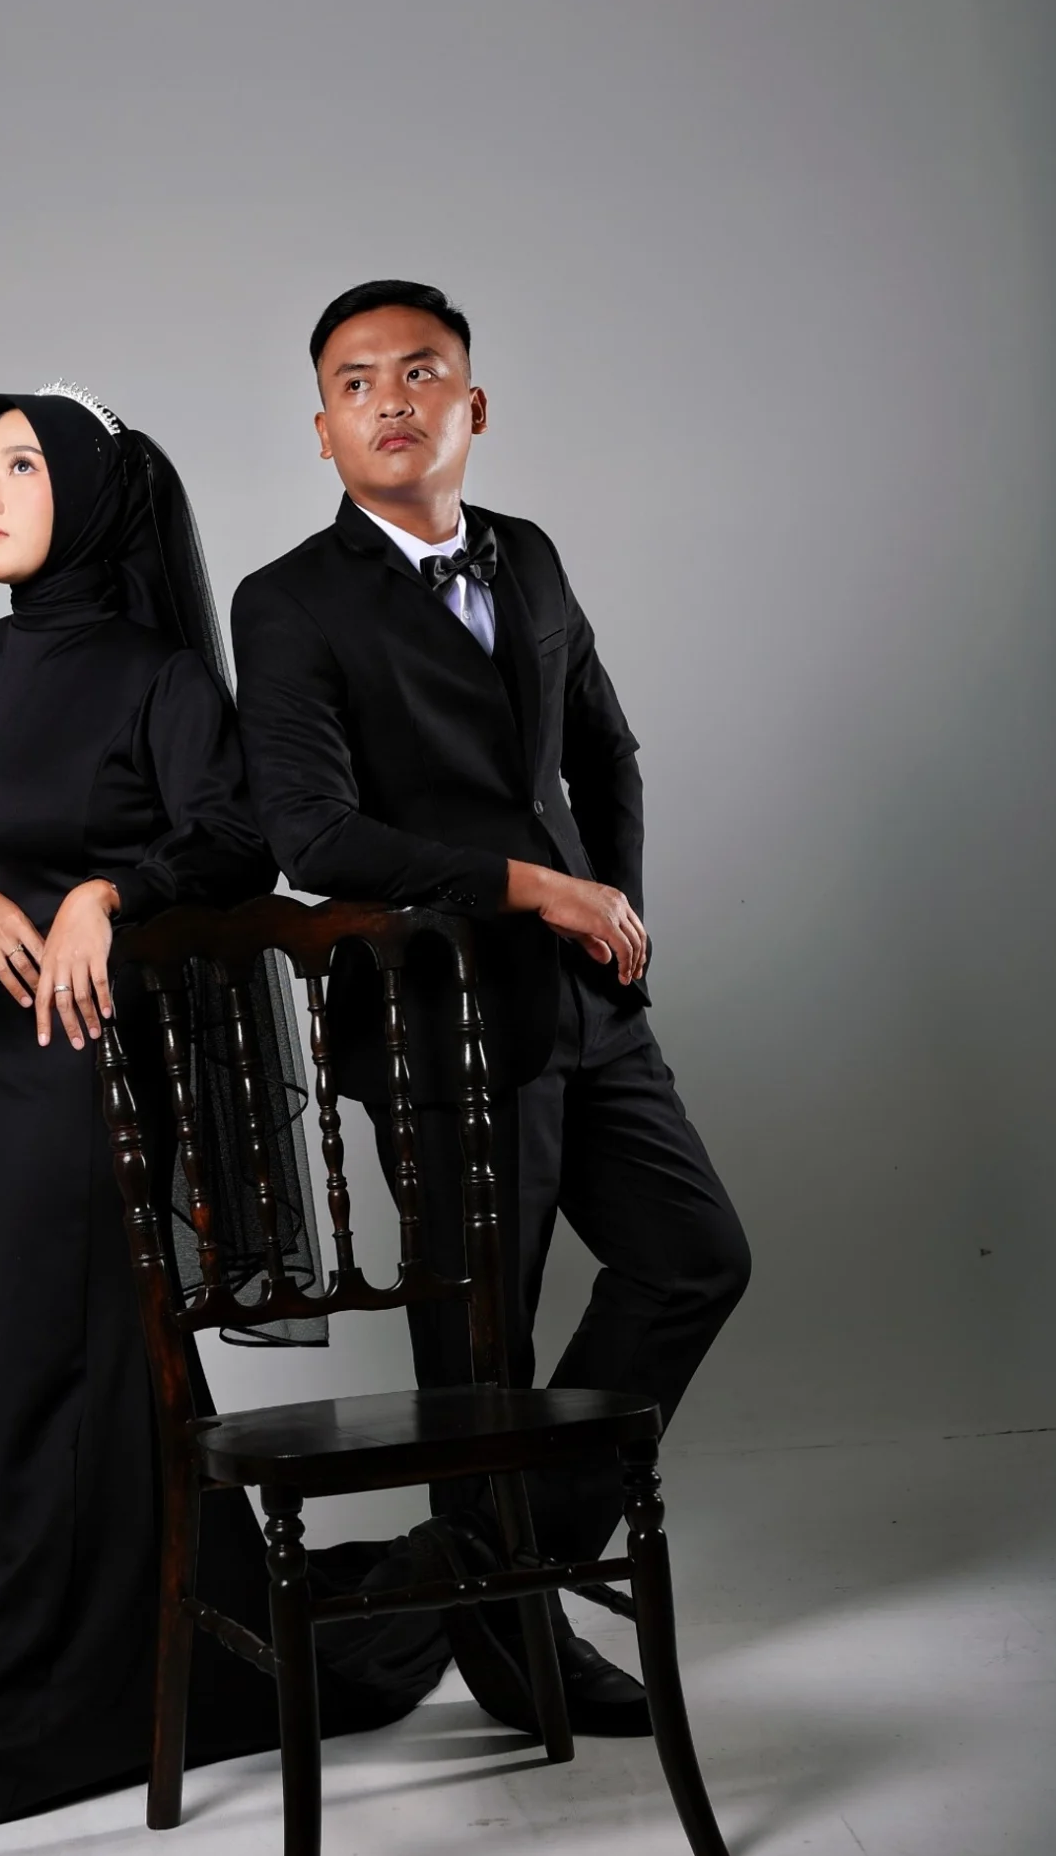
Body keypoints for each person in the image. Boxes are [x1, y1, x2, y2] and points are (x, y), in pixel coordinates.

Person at [0, 381, 447, 1852]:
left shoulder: (159, 681)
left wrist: (107, 897)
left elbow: (236, 838)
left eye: (19, 465)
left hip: (103, 1067)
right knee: (69, 1368)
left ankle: (42, 1709)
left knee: (65, 1373)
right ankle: (165, 1659)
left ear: (92, 492)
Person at [230, 283, 752, 1737]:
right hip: (437, 1026)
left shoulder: (529, 556)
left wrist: (615, 911)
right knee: (483, 1359)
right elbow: (314, 835)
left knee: (695, 1259)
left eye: (421, 372)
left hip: (591, 1002)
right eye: (356, 383)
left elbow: (607, 751)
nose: (391, 400)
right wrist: (537, 889)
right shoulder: (287, 602)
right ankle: (519, 1642)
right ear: (322, 432)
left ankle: (477, 1578)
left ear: (474, 405)